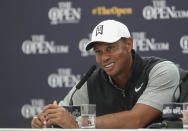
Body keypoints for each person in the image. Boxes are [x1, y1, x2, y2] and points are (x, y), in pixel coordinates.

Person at [31, 19, 180, 128]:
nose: (104, 58)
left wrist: (77, 124)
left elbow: (136, 120)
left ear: (128, 44)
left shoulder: (161, 71)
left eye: (110, 48)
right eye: (98, 52)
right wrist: (46, 120)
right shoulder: (91, 82)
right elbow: (62, 113)